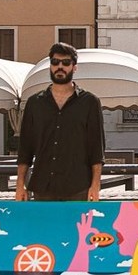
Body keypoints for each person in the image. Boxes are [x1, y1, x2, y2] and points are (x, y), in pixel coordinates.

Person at [16, 42, 105, 201]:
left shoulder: (90, 102)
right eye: (55, 62)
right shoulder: (34, 103)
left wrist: (95, 185)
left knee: (79, 227)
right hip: (42, 187)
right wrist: (20, 184)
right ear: (50, 66)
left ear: (74, 67)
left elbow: (96, 148)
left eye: (66, 63)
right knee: (43, 227)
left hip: (78, 187)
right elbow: (25, 148)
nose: (60, 67)